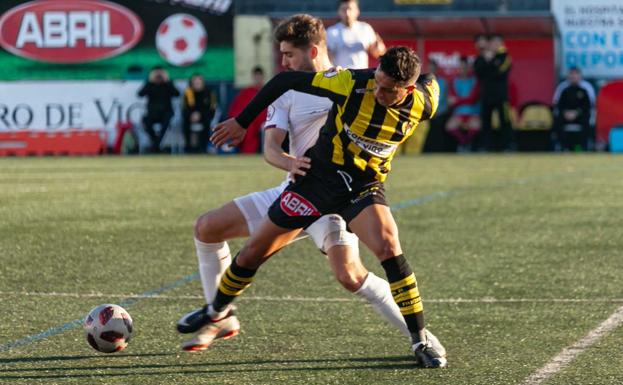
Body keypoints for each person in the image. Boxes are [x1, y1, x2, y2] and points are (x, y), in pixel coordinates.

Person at [176, 14, 412, 353]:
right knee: (207, 227)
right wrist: (290, 162)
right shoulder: (288, 90)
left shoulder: (352, 83)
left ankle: (420, 337)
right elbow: (271, 149)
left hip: (335, 200)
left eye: (288, 55)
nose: (283, 62)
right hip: (293, 191)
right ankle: (221, 316)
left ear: (313, 51)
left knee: (350, 276)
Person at [204, 46, 448, 368]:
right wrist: (242, 120)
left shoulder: (424, 102)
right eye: (378, 81)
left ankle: (419, 340)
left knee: (389, 245)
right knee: (252, 253)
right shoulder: (351, 83)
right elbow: (286, 80)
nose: (379, 92)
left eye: (389, 90)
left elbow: (431, 81)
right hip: (316, 183)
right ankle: (215, 313)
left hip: (362, 188)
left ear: (409, 89)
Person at [473, 34, 513, 151]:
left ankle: (508, 146)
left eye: (497, 43)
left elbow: (500, 72)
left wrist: (489, 63)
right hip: (486, 95)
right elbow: (478, 72)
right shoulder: (482, 57)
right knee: (485, 122)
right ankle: (486, 147)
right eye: (493, 43)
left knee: (504, 121)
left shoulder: (505, 56)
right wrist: (488, 61)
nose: (495, 45)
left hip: (501, 96)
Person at [326, 0, 386, 69]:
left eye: (350, 9)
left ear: (357, 11)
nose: (347, 13)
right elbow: (327, 59)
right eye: (343, 10)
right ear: (338, 12)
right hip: (340, 76)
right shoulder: (331, 32)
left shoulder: (366, 29)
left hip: (361, 75)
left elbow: (378, 53)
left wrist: (379, 48)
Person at [137, 66, 180, 153]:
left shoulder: (168, 84)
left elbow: (177, 94)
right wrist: (150, 81)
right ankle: (157, 144)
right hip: (152, 114)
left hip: (166, 113)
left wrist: (167, 80)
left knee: (167, 121)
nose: (158, 76)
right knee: (145, 120)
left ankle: (155, 145)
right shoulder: (149, 84)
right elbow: (140, 94)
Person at [552, 67, 593, 151]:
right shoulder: (564, 90)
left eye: (576, 75)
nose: (574, 77)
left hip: (580, 116)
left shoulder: (584, 90)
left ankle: (583, 147)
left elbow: (587, 106)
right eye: (572, 75)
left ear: (580, 77)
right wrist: (565, 113)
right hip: (566, 116)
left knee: (587, 121)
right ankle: (563, 147)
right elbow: (559, 105)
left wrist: (577, 113)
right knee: (557, 121)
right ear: (568, 77)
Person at [227, 66, 266, 153]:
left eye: (260, 77)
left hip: (263, 120)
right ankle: (246, 152)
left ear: (263, 77)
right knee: (247, 125)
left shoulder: (267, 91)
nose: (258, 79)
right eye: (256, 77)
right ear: (253, 77)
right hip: (251, 121)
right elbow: (236, 109)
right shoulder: (246, 92)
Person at [446, 56, 480, 151]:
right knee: (449, 126)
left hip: (472, 113)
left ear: (468, 67)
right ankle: (463, 143)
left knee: (476, 125)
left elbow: (473, 99)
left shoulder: (475, 80)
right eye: (460, 67)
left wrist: (457, 100)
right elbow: (450, 101)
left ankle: (467, 144)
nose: (462, 70)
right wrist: (460, 100)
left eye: (464, 67)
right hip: (459, 113)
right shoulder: (453, 81)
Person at [182, 74, 217, 153]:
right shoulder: (188, 92)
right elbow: (185, 108)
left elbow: (212, 108)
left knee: (207, 122)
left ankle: (203, 147)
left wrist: (200, 115)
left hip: (205, 116)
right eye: (195, 82)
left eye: (199, 82)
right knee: (185, 123)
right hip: (191, 117)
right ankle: (189, 148)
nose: (197, 84)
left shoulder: (209, 92)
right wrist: (191, 115)